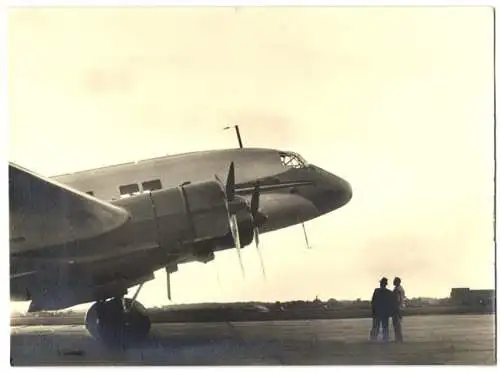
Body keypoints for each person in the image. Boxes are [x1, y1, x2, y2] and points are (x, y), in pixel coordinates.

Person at [370, 277, 393, 342]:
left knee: (375, 327)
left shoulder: (376, 291)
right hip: (385, 313)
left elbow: (373, 302)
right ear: (386, 284)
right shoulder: (389, 292)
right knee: (385, 327)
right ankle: (385, 339)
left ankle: (373, 339)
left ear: (381, 284)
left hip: (377, 312)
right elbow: (391, 303)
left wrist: (373, 310)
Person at [392, 276, 406, 342]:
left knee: (396, 324)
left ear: (397, 282)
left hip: (397, 308)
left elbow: (397, 299)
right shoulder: (401, 288)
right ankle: (399, 338)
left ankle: (398, 339)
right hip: (401, 307)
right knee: (398, 324)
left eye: (394, 281)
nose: (393, 282)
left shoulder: (397, 289)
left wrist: (396, 308)